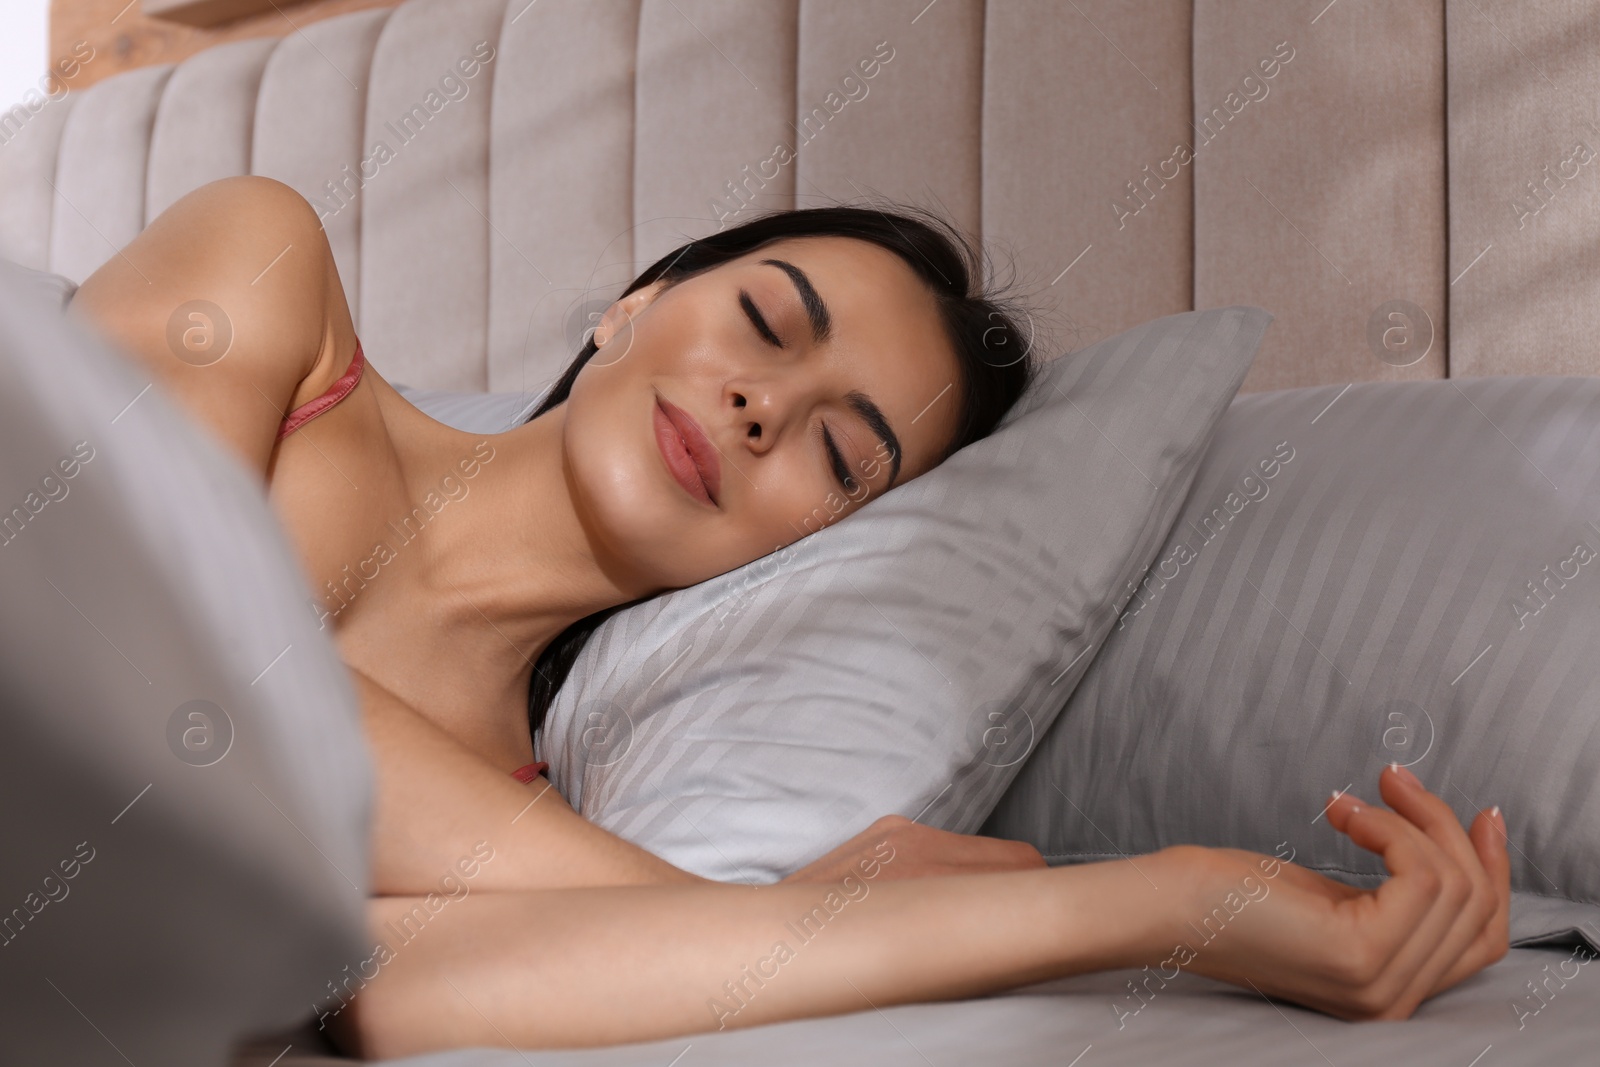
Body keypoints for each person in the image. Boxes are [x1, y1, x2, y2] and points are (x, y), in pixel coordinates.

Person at [66, 176, 1509, 1058]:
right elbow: (129, 650)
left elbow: (387, 1005)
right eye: (768, 324)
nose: (767, 409)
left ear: (820, 548)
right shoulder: (270, 270)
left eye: (842, 453)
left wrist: (1187, 901)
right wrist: (766, 917)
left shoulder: (533, 821)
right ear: (634, 304)